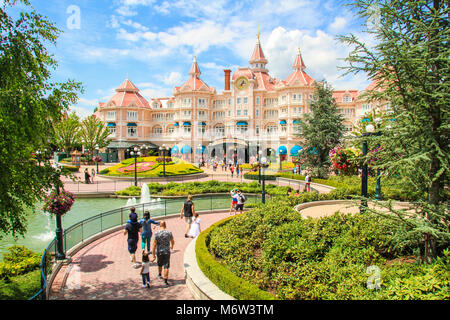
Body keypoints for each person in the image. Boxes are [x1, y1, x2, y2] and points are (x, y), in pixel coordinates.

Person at [151, 221, 174, 287]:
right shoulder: (169, 233)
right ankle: (165, 281)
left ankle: (160, 274)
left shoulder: (157, 233)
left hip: (159, 251)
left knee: (159, 263)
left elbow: (154, 244)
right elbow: (172, 241)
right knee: (166, 266)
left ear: (160, 225)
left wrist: (153, 255)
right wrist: (172, 246)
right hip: (167, 251)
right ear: (165, 225)